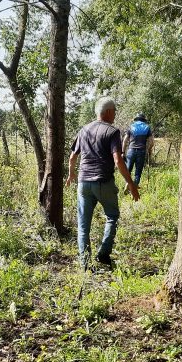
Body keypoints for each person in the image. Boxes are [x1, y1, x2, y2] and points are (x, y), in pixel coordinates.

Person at [66, 97, 140, 268]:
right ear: (107, 112)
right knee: (112, 217)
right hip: (103, 182)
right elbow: (118, 160)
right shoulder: (113, 131)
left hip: (83, 183)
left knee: (83, 226)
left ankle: (84, 264)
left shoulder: (84, 130)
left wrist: (71, 175)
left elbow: (72, 158)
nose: (115, 114)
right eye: (114, 110)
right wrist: (130, 183)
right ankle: (103, 254)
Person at [121, 112, 154, 186]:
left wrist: (123, 152)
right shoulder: (147, 127)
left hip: (131, 151)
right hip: (141, 151)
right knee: (138, 171)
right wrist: (148, 150)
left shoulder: (131, 127)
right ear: (143, 120)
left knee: (128, 169)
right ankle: (135, 185)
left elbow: (125, 140)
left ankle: (127, 183)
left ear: (136, 119)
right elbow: (152, 142)